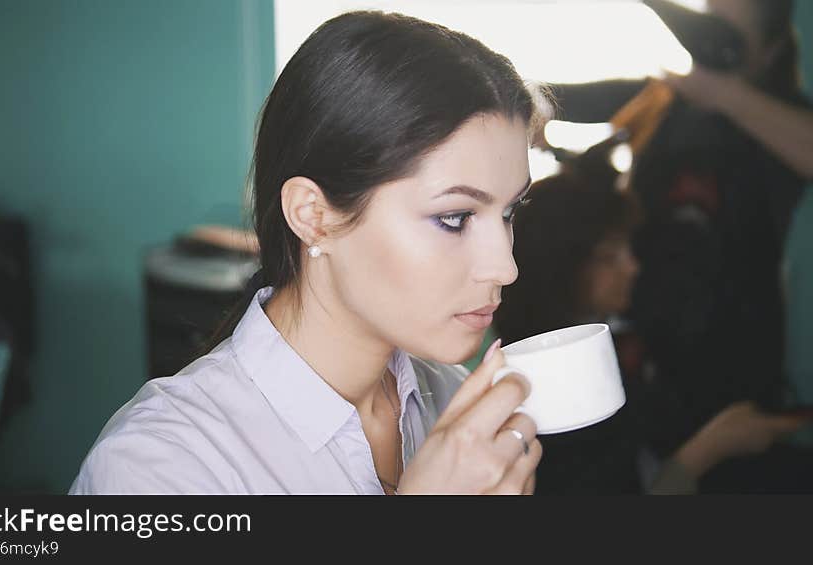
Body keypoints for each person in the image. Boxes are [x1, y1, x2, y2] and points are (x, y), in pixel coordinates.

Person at [70, 11, 543, 495]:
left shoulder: (457, 405)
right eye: (455, 218)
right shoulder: (157, 466)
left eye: (508, 212)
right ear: (313, 215)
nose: (504, 267)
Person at [545, 0, 812, 467]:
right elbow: (586, 100)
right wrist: (530, 103)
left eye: (726, 28)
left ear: (770, 50)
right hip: (651, 350)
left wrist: (725, 95)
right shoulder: (669, 102)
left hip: (734, 362)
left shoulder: (776, 116)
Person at [494, 154, 813, 494]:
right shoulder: (550, 382)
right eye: (609, 256)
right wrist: (709, 448)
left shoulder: (619, 337)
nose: (632, 266)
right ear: (560, 268)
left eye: (626, 249)